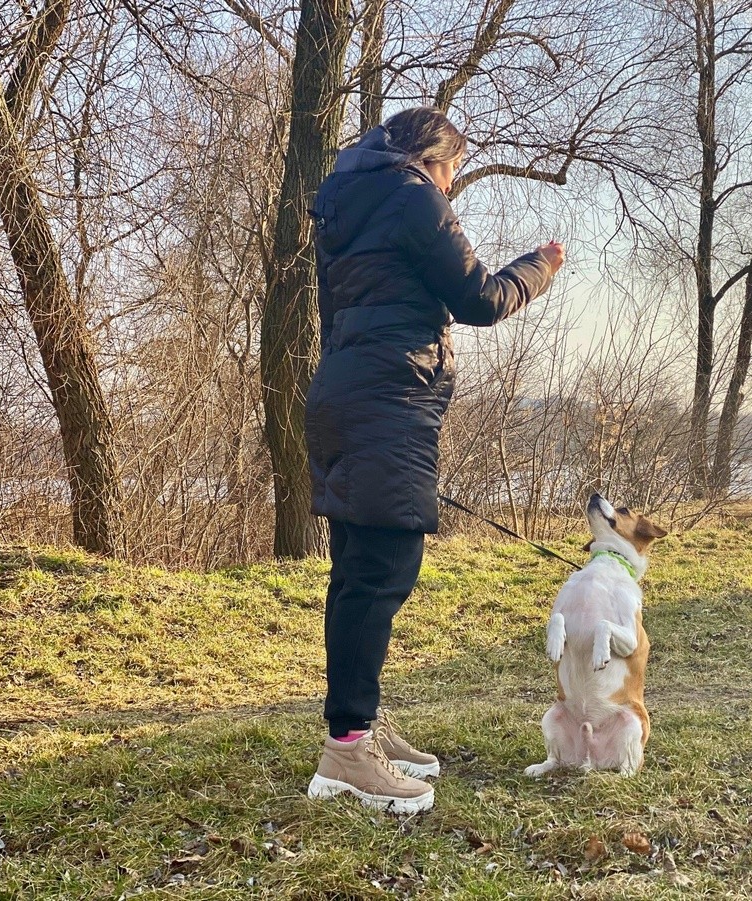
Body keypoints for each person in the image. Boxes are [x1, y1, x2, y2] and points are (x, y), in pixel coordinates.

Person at [303, 106, 565, 814]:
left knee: (357, 571)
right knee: (385, 569)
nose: (451, 186)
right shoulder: (415, 195)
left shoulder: (342, 196)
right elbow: (478, 298)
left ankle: (358, 723)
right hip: (389, 400)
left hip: (343, 394)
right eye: (452, 171)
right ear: (434, 157)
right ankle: (348, 750)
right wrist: (539, 267)